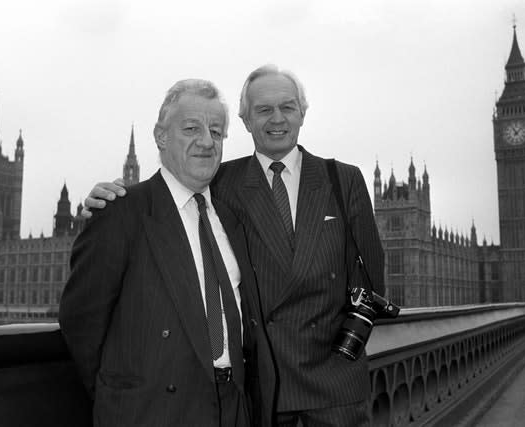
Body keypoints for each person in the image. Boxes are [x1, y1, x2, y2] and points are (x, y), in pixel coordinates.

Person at [84, 65, 384, 427]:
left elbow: (372, 280)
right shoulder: (220, 181)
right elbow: (165, 196)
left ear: (303, 112)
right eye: (263, 110)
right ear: (244, 120)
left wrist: (346, 347)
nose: (277, 119)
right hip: (263, 392)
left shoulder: (342, 179)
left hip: (335, 388)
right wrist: (107, 199)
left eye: (287, 107)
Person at [59, 79, 276, 427]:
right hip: (154, 413)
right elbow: (80, 321)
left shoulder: (233, 220)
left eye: (216, 131)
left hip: (232, 410)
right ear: (161, 136)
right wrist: (120, 400)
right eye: (191, 128)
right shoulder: (121, 212)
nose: (206, 141)